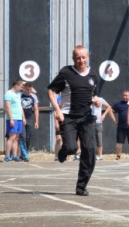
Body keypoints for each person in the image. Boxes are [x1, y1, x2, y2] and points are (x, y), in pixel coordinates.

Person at [47, 45, 101, 196]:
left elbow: (93, 96)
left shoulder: (93, 76)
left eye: (83, 57)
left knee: (89, 151)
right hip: (68, 116)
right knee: (71, 148)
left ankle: (81, 186)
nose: (81, 60)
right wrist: (57, 110)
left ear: (88, 57)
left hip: (87, 118)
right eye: (78, 57)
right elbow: (51, 91)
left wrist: (96, 101)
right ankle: (64, 151)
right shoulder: (66, 73)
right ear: (73, 59)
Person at [3, 80, 25, 162]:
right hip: (13, 118)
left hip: (19, 118)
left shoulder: (17, 94)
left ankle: (15, 155)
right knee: (11, 137)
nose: (21, 88)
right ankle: (7, 156)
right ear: (16, 85)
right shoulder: (8, 94)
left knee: (16, 138)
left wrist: (23, 118)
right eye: (21, 86)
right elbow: (8, 107)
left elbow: (20, 107)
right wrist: (11, 119)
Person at [19, 82, 40, 162]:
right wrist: (24, 83)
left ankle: (25, 153)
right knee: (22, 137)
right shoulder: (19, 95)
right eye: (27, 89)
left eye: (30, 89)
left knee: (28, 138)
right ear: (24, 88)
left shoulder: (33, 96)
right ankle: (24, 155)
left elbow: (36, 109)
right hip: (21, 118)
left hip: (30, 118)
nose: (29, 91)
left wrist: (36, 121)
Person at [91, 95, 115, 160]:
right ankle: (90, 155)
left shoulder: (100, 99)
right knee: (89, 139)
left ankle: (100, 155)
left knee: (99, 139)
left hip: (98, 121)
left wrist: (103, 115)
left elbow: (109, 106)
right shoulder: (88, 98)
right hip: (89, 122)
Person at [112, 90, 129, 160]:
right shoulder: (119, 104)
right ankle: (118, 156)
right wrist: (115, 120)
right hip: (121, 126)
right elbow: (110, 110)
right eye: (124, 95)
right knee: (119, 142)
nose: (124, 97)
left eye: (126, 96)